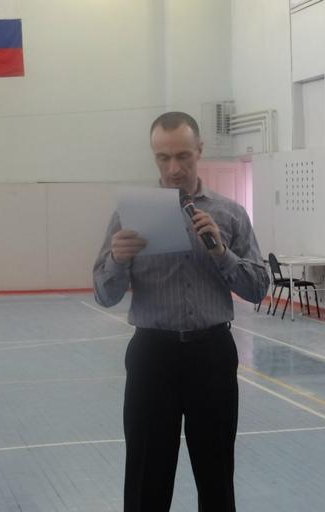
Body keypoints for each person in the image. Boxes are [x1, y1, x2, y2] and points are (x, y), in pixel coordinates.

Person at [93, 111, 269, 512]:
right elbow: (104, 294)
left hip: (212, 354)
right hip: (152, 356)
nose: (174, 168)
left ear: (200, 151)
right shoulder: (128, 217)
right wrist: (117, 260)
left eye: (183, 156)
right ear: (153, 156)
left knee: (216, 473)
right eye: (163, 158)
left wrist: (221, 252)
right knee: (146, 476)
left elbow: (258, 288)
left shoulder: (230, 214)